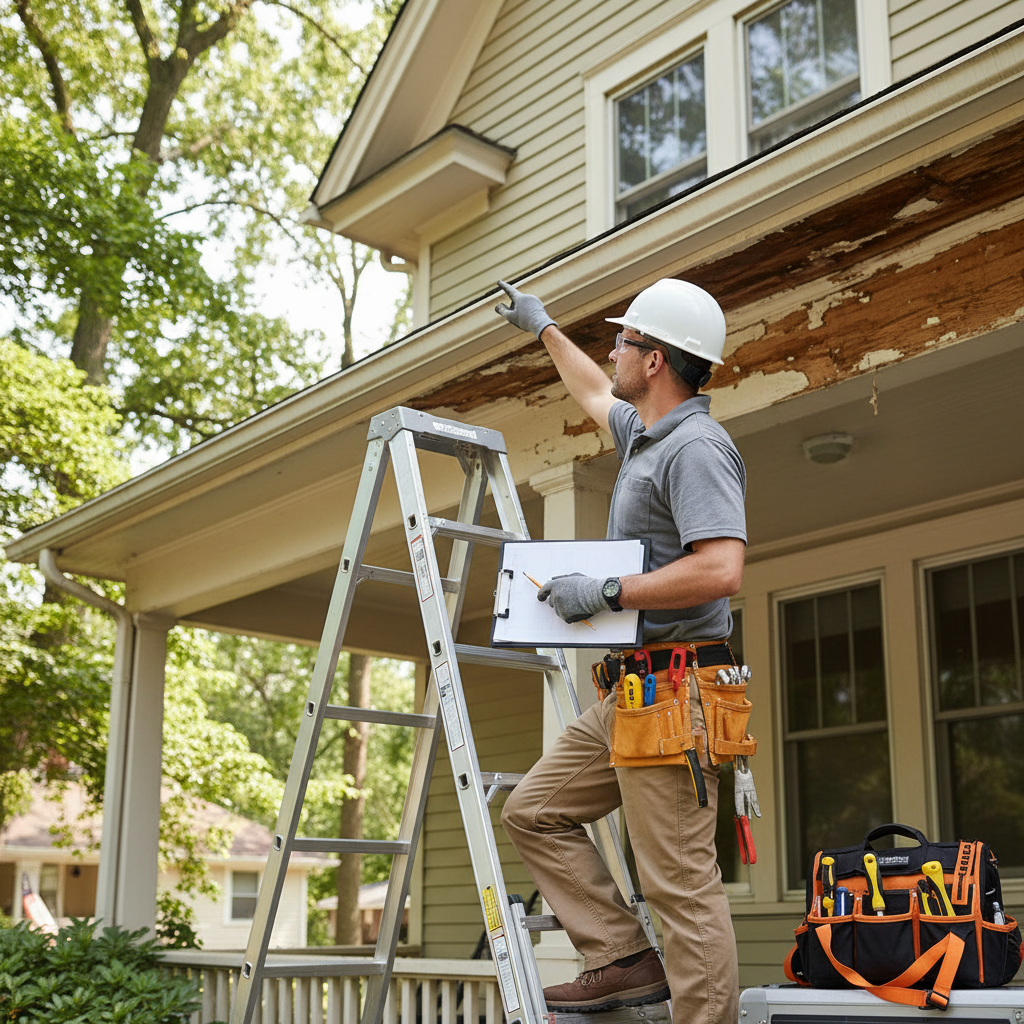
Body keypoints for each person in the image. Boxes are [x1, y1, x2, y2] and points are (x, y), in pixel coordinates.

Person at [494, 277, 746, 1024]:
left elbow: (721, 566)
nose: (615, 350)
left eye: (626, 340)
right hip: (629, 696)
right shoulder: (647, 433)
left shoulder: (698, 448)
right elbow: (594, 390)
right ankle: (623, 957)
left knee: (680, 887)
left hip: (677, 696)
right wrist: (542, 328)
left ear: (658, 359)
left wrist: (610, 595)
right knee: (534, 810)